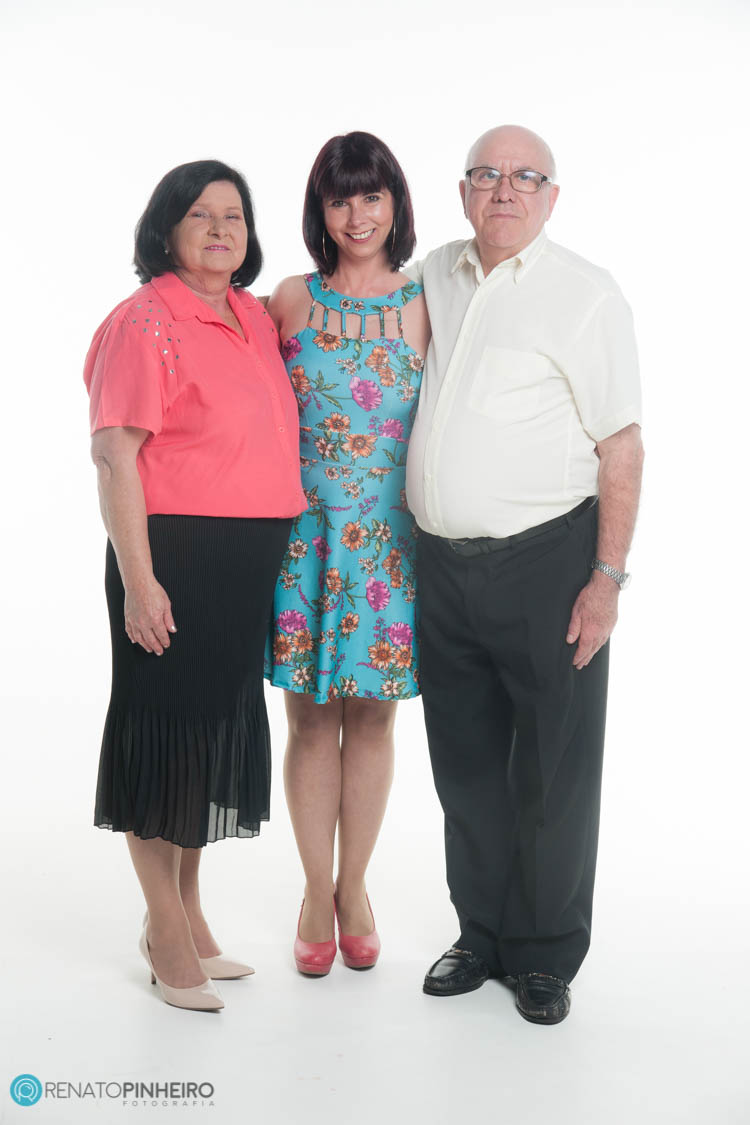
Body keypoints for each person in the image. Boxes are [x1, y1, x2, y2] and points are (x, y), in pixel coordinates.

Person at [407, 125, 644, 1024]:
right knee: (465, 765)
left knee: (555, 764)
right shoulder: (437, 272)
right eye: (487, 174)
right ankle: (481, 933)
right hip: (441, 566)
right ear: (464, 192)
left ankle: (543, 954)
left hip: (549, 561)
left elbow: (622, 444)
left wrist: (607, 577)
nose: (504, 189)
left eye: (526, 177)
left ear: (552, 196)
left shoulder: (586, 294)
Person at [84, 160, 306, 1011]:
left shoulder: (251, 314)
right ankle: (165, 933)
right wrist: (140, 581)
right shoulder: (145, 320)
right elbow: (115, 457)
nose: (220, 229)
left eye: (234, 215)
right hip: (174, 555)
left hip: (247, 560)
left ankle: (187, 913)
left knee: (208, 736)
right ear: (166, 229)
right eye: (201, 215)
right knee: (163, 738)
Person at [264, 132, 430, 975]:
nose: (357, 215)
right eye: (340, 199)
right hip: (305, 538)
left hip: (394, 543)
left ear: (395, 203)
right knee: (307, 718)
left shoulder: (431, 301)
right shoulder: (289, 298)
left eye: (372, 196)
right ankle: (311, 888)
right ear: (319, 210)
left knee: (372, 716)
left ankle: (354, 886)